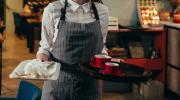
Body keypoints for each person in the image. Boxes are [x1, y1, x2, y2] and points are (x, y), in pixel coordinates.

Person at [36, 0, 109, 99]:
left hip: (90, 87)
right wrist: (42, 60)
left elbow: (100, 47)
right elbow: (45, 48)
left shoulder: (102, 11)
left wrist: (107, 60)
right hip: (57, 87)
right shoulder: (52, 9)